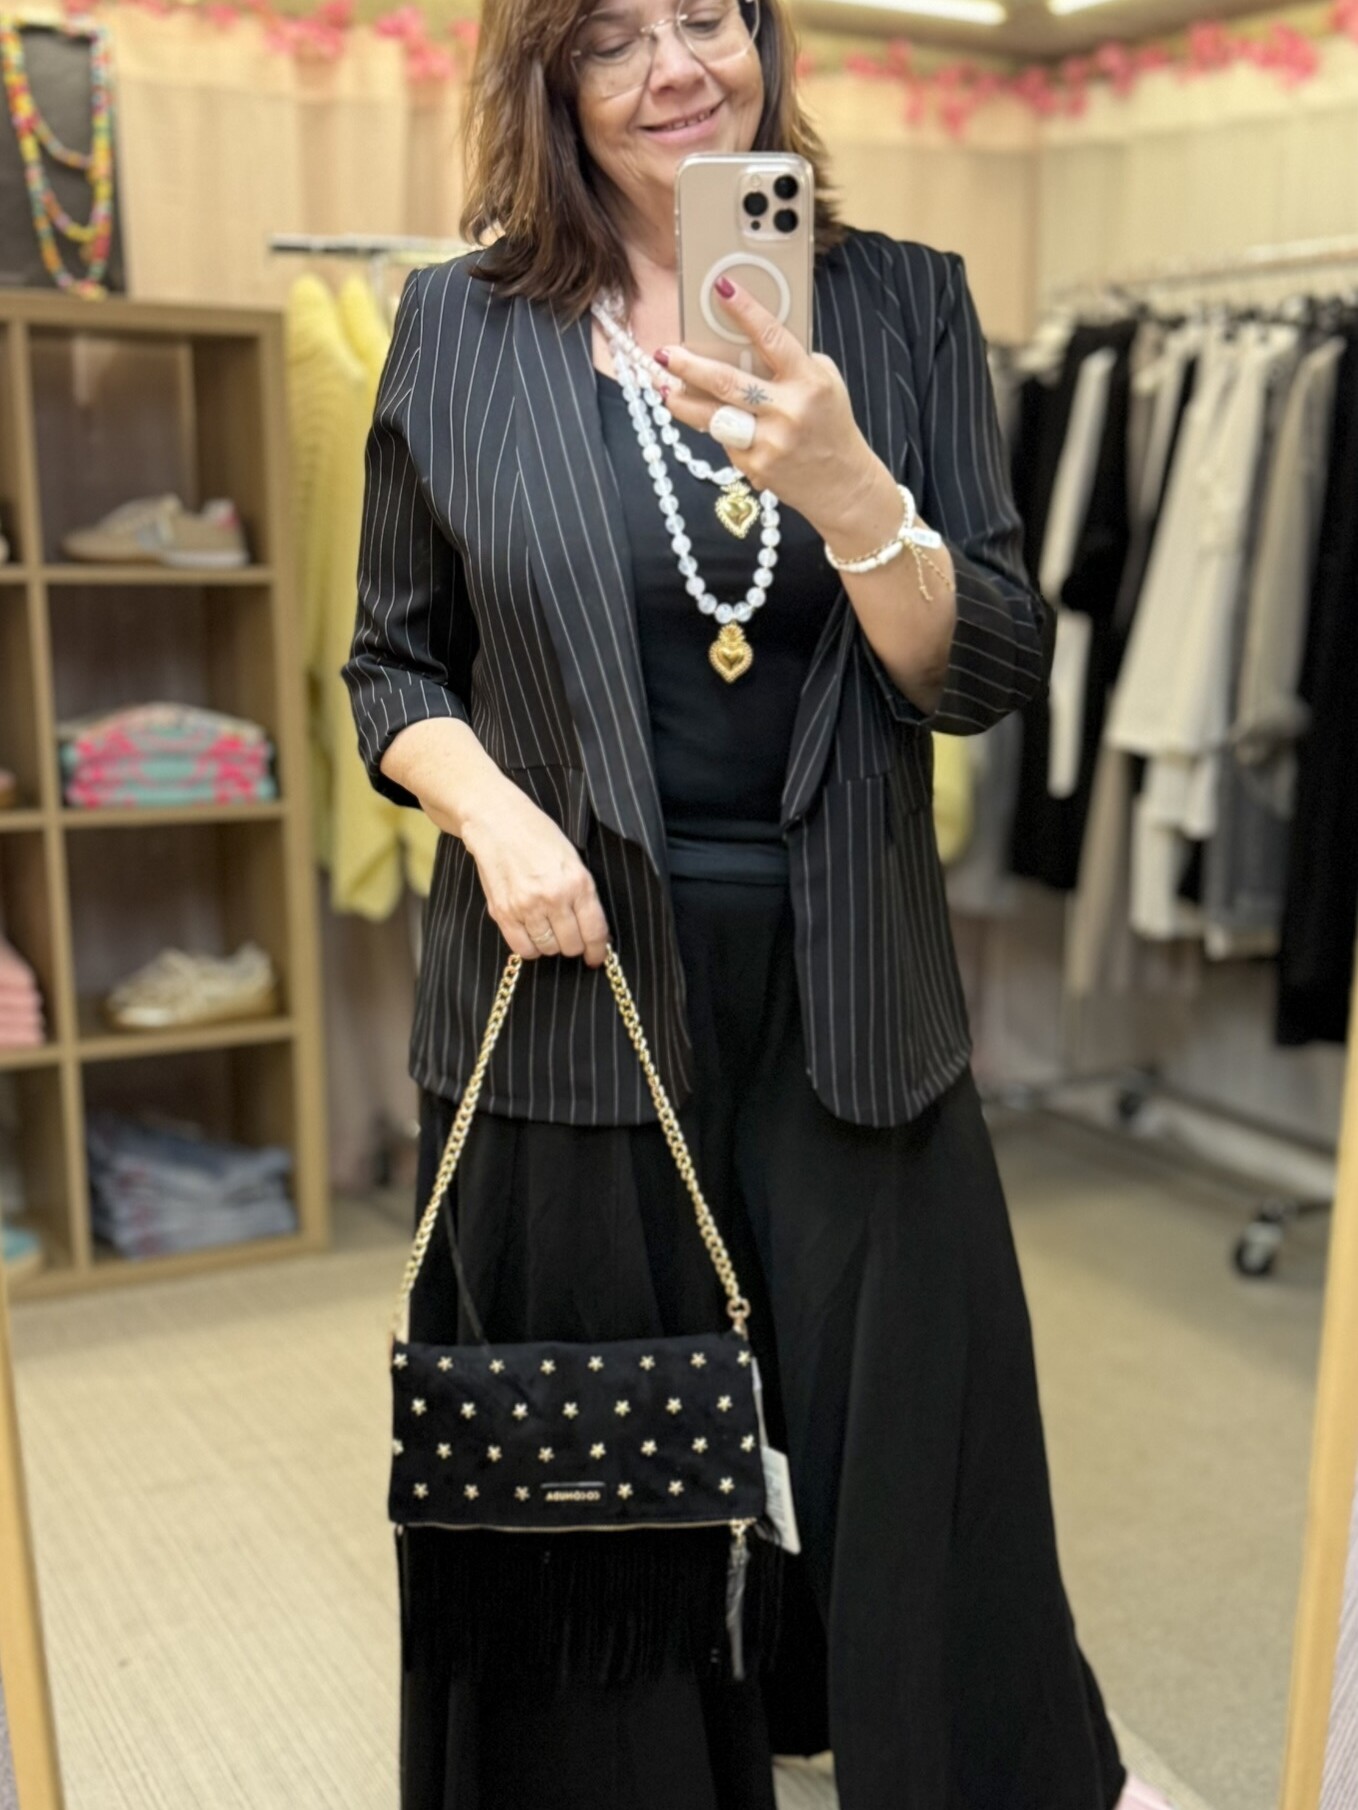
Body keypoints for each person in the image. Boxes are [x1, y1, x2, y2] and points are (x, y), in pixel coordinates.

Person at [346, 4, 1165, 1807]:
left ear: (761, 31)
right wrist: (492, 816)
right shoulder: (461, 324)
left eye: (703, 13)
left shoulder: (902, 304)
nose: (674, 68)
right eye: (608, 37)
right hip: (565, 976)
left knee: (915, 1458)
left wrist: (853, 491)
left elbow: (988, 668)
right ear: (549, 83)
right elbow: (391, 667)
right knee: (602, 1484)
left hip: (851, 979)